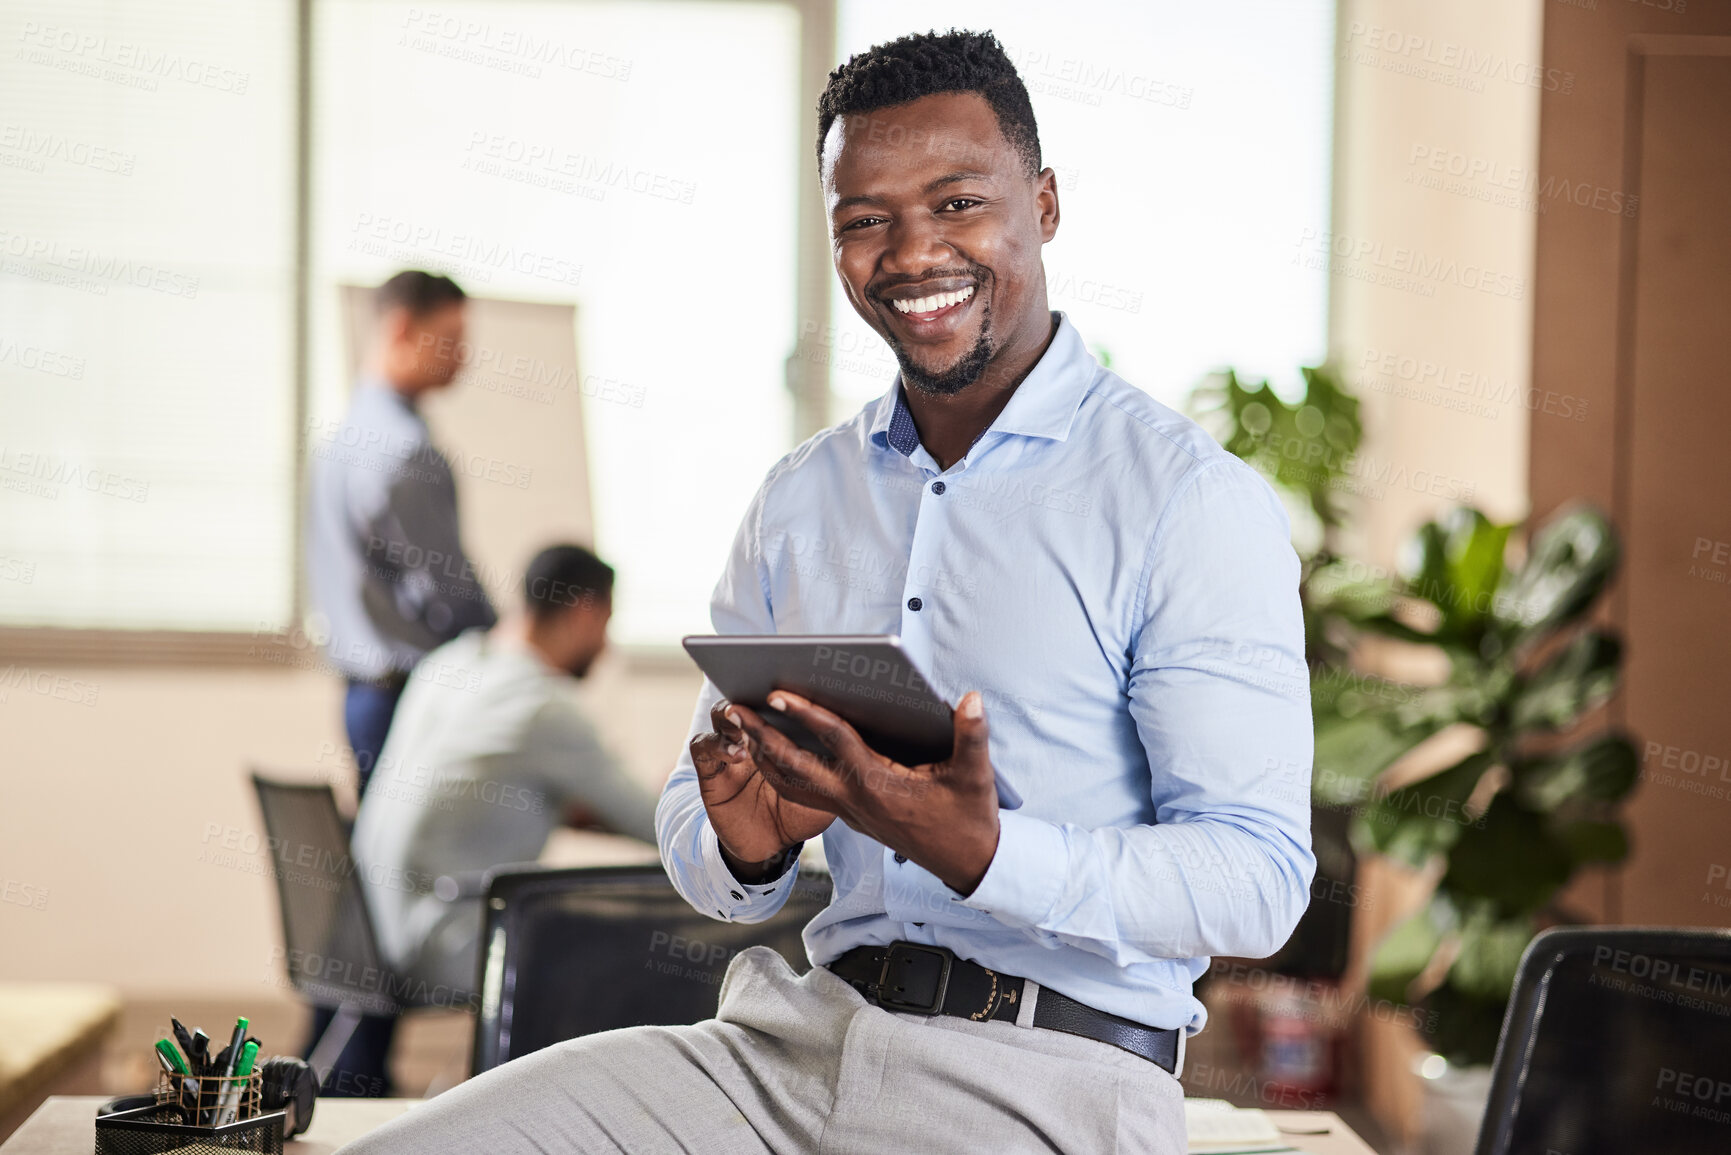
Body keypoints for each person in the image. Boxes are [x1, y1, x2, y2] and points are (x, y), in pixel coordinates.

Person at [341, 30, 1312, 1153]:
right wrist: (746, 843)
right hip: (787, 1048)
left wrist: (990, 853)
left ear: (1043, 205)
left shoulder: (1187, 502)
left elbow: (1257, 878)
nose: (912, 252)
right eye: (865, 220)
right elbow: (691, 827)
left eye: (957, 204)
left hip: (1050, 1083)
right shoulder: (800, 499)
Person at [323, 544, 658, 1098]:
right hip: (437, 939)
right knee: (633, 952)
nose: (606, 643)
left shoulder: (450, 663)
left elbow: (476, 783)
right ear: (584, 611)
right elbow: (654, 823)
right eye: (606, 623)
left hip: (365, 930)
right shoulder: (545, 705)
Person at [306, 270, 497, 801]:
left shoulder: (338, 441)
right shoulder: (405, 451)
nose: (463, 357)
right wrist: (511, 651)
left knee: (379, 857)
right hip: (408, 700)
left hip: (361, 695)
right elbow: (450, 592)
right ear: (402, 328)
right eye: (452, 339)